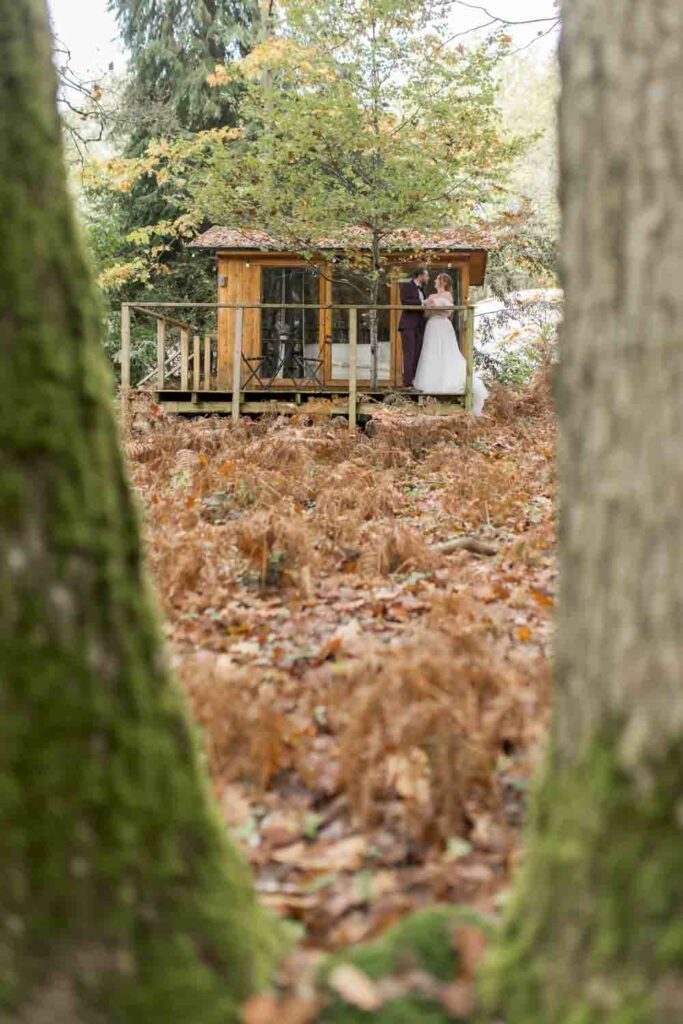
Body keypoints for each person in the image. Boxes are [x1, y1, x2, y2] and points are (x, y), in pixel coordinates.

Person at [413, 273, 488, 416]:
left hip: (442, 325)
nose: (434, 281)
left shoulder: (447, 295)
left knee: (446, 352)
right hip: (432, 325)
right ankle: (431, 383)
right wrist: (429, 307)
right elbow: (426, 312)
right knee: (431, 353)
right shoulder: (431, 296)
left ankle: (446, 382)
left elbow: (448, 310)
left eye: (437, 279)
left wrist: (435, 306)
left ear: (443, 281)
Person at [399, 267, 429, 388]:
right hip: (408, 325)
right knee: (409, 354)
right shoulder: (407, 286)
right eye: (426, 276)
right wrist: (422, 303)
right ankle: (407, 383)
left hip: (419, 326)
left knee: (417, 354)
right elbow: (405, 301)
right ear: (420, 275)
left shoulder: (422, 289)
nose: (427, 278)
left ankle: (414, 381)